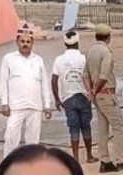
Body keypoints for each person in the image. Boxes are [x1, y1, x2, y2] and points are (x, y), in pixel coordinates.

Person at [0, 27, 52, 158]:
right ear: (17, 42)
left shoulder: (38, 60)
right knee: (11, 138)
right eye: (22, 41)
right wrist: (4, 103)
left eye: (28, 42)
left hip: (35, 106)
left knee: (33, 141)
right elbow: (3, 82)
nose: (25, 44)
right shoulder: (9, 59)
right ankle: (8, 164)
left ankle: (31, 165)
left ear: (32, 43)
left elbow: (44, 84)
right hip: (15, 107)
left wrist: (47, 105)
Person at [84, 24, 123, 174]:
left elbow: (85, 75)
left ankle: (105, 160)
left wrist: (90, 91)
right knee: (118, 127)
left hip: (97, 95)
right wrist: (95, 90)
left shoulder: (90, 51)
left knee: (102, 128)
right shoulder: (106, 52)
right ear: (108, 37)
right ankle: (120, 160)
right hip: (106, 93)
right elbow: (103, 76)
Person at [51, 30, 98, 165]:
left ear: (65, 43)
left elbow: (54, 80)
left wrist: (57, 99)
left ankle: (76, 158)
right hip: (84, 96)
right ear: (78, 42)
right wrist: (92, 93)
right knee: (86, 126)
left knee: (73, 128)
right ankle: (89, 155)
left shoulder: (59, 60)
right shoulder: (84, 58)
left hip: (68, 98)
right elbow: (92, 77)